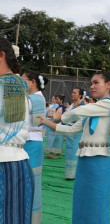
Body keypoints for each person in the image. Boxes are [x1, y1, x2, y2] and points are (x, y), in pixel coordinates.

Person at [38, 70, 110, 224]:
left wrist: (58, 117)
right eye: (91, 83)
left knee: (97, 205)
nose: (92, 86)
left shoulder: (109, 104)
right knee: (83, 202)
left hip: (100, 161)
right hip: (84, 161)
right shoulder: (94, 109)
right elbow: (71, 129)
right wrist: (48, 122)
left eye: (96, 82)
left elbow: (81, 111)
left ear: (109, 85)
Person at [0, 38, 34, 223]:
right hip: (14, 162)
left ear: (1, 55)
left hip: (5, 165)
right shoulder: (18, 84)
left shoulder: (8, 84)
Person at [22, 70, 48, 224]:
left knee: (29, 180)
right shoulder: (35, 98)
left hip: (31, 142)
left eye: (24, 80)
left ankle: (30, 218)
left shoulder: (35, 98)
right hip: (31, 142)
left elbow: (36, 123)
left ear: (32, 82)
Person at [63, 88, 86, 180]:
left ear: (80, 95)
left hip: (76, 130)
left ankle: (75, 173)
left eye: (74, 93)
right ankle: (69, 173)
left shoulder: (82, 103)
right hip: (69, 129)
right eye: (72, 92)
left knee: (74, 150)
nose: (72, 94)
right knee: (69, 151)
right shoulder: (72, 104)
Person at [44, 94, 66, 159]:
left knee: (58, 140)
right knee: (52, 139)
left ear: (61, 100)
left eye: (57, 99)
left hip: (59, 125)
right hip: (54, 124)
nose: (56, 100)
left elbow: (63, 116)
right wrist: (50, 116)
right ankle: (51, 153)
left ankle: (58, 154)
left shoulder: (63, 108)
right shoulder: (57, 107)